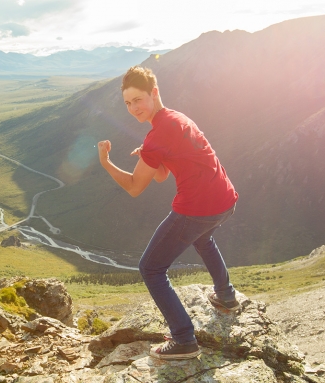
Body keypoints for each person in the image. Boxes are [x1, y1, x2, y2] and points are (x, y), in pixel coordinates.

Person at [97, 66, 239, 360]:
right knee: (203, 240)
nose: (133, 108)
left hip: (197, 208)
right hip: (225, 200)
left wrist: (106, 162)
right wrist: (151, 156)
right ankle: (226, 296)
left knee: (150, 268)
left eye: (138, 99)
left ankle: (184, 339)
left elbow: (136, 187)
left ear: (154, 93)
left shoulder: (158, 135)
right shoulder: (177, 119)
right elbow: (162, 175)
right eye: (127, 103)